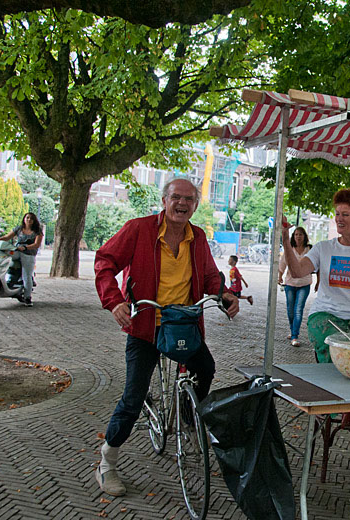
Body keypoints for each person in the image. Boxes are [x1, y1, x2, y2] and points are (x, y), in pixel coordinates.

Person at [93, 178, 240, 497]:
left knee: (207, 369)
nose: (182, 203)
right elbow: (105, 262)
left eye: (189, 199)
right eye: (176, 197)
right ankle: (107, 462)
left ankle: (188, 416)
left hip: (184, 326)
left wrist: (224, 294)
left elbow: (210, 275)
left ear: (196, 205)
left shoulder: (197, 237)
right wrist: (115, 300)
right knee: (132, 398)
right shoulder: (139, 229)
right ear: (164, 200)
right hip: (146, 326)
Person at [280, 189, 350, 448]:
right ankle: (342, 405)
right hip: (326, 314)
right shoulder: (323, 248)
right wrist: (286, 240)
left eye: (346, 214)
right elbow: (297, 271)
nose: (339, 219)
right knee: (333, 345)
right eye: (337, 214)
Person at [0, 212, 43, 307]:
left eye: (31, 219)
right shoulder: (19, 229)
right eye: (27, 218)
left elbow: (36, 244)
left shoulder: (37, 231)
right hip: (17, 250)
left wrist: (26, 247)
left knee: (26, 275)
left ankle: (27, 297)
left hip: (28, 254)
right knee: (4, 255)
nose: (28, 220)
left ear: (34, 221)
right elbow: (7, 237)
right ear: (24, 219)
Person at [278, 227, 312, 346]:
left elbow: (317, 266)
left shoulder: (309, 250)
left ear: (304, 236)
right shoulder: (289, 249)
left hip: (304, 283)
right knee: (290, 310)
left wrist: (319, 282)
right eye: (296, 234)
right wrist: (279, 276)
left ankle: (294, 336)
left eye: (301, 234)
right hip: (290, 283)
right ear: (293, 236)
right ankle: (292, 330)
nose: (298, 236)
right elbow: (282, 263)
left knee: (298, 310)